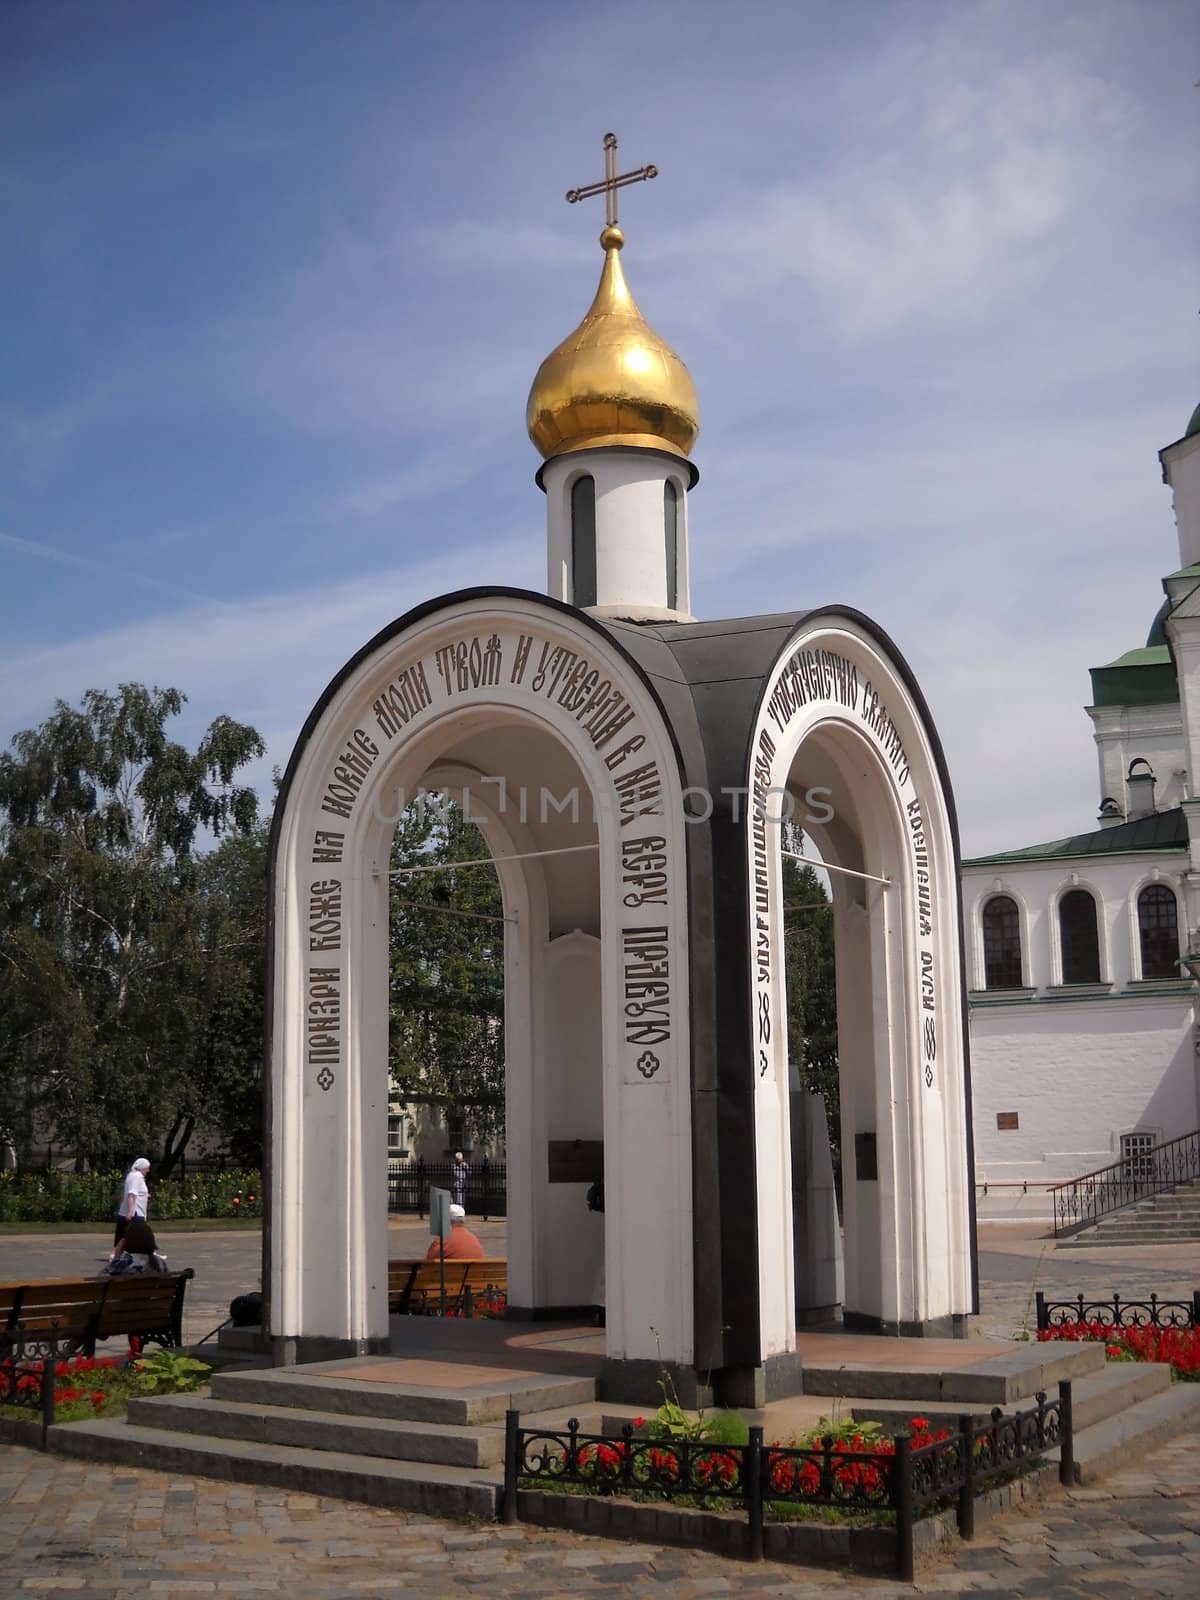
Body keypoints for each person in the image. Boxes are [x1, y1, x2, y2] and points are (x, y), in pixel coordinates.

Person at [102, 1218, 169, 1276]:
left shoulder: (122, 1263)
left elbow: (100, 1280)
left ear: (127, 1244)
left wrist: (116, 1257)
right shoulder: (160, 1264)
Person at [113, 1157, 151, 1251]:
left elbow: (137, 1192)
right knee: (139, 1236)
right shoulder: (137, 1176)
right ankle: (148, 1255)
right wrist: (130, 1211)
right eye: (147, 1167)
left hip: (135, 1212)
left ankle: (118, 1254)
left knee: (125, 1236)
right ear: (142, 1167)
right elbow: (132, 1194)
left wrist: (145, 1195)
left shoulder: (134, 1176)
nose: (148, 1170)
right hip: (136, 1213)